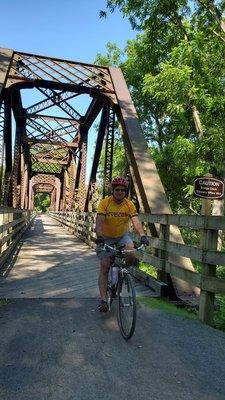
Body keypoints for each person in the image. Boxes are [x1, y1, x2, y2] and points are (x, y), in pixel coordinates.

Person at [95, 176, 149, 312]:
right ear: (113, 190)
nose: (120, 192)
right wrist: (99, 237)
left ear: (126, 191)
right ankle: (103, 300)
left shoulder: (129, 204)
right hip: (106, 237)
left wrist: (142, 235)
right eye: (117, 189)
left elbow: (136, 221)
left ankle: (122, 272)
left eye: (123, 190)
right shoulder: (105, 203)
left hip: (122, 236)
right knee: (105, 266)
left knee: (132, 254)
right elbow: (99, 221)